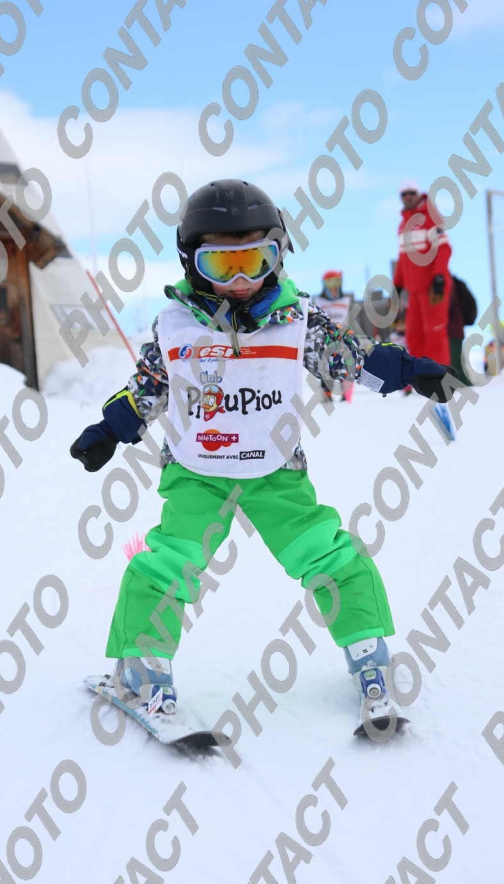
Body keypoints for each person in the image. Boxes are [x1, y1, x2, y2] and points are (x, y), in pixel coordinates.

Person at [70, 179, 455, 735]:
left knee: (330, 555)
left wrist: (409, 371)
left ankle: (369, 656)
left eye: (254, 261)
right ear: (192, 263)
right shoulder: (174, 326)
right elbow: (150, 385)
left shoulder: (297, 320)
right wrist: (111, 428)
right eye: (222, 265)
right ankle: (141, 667)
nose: (240, 280)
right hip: (196, 474)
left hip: (275, 474)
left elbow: (349, 360)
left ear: (278, 256)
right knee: (167, 565)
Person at [393, 178, 452, 366]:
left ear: (418, 194)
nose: (408, 197)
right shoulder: (403, 226)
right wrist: (397, 285)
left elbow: (443, 248)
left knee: (435, 333)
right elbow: (403, 258)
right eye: (404, 194)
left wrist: (439, 276)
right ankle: (421, 377)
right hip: (414, 289)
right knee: (414, 335)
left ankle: (441, 375)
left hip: (432, 286)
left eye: (412, 193)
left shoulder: (430, 217)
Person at [315, 270, 355, 403]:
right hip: (326, 339)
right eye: (330, 282)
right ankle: (327, 394)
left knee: (345, 364)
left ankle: (346, 394)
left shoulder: (345, 300)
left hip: (343, 338)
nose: (333, 287)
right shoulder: (318, 301)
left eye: (336, 282)